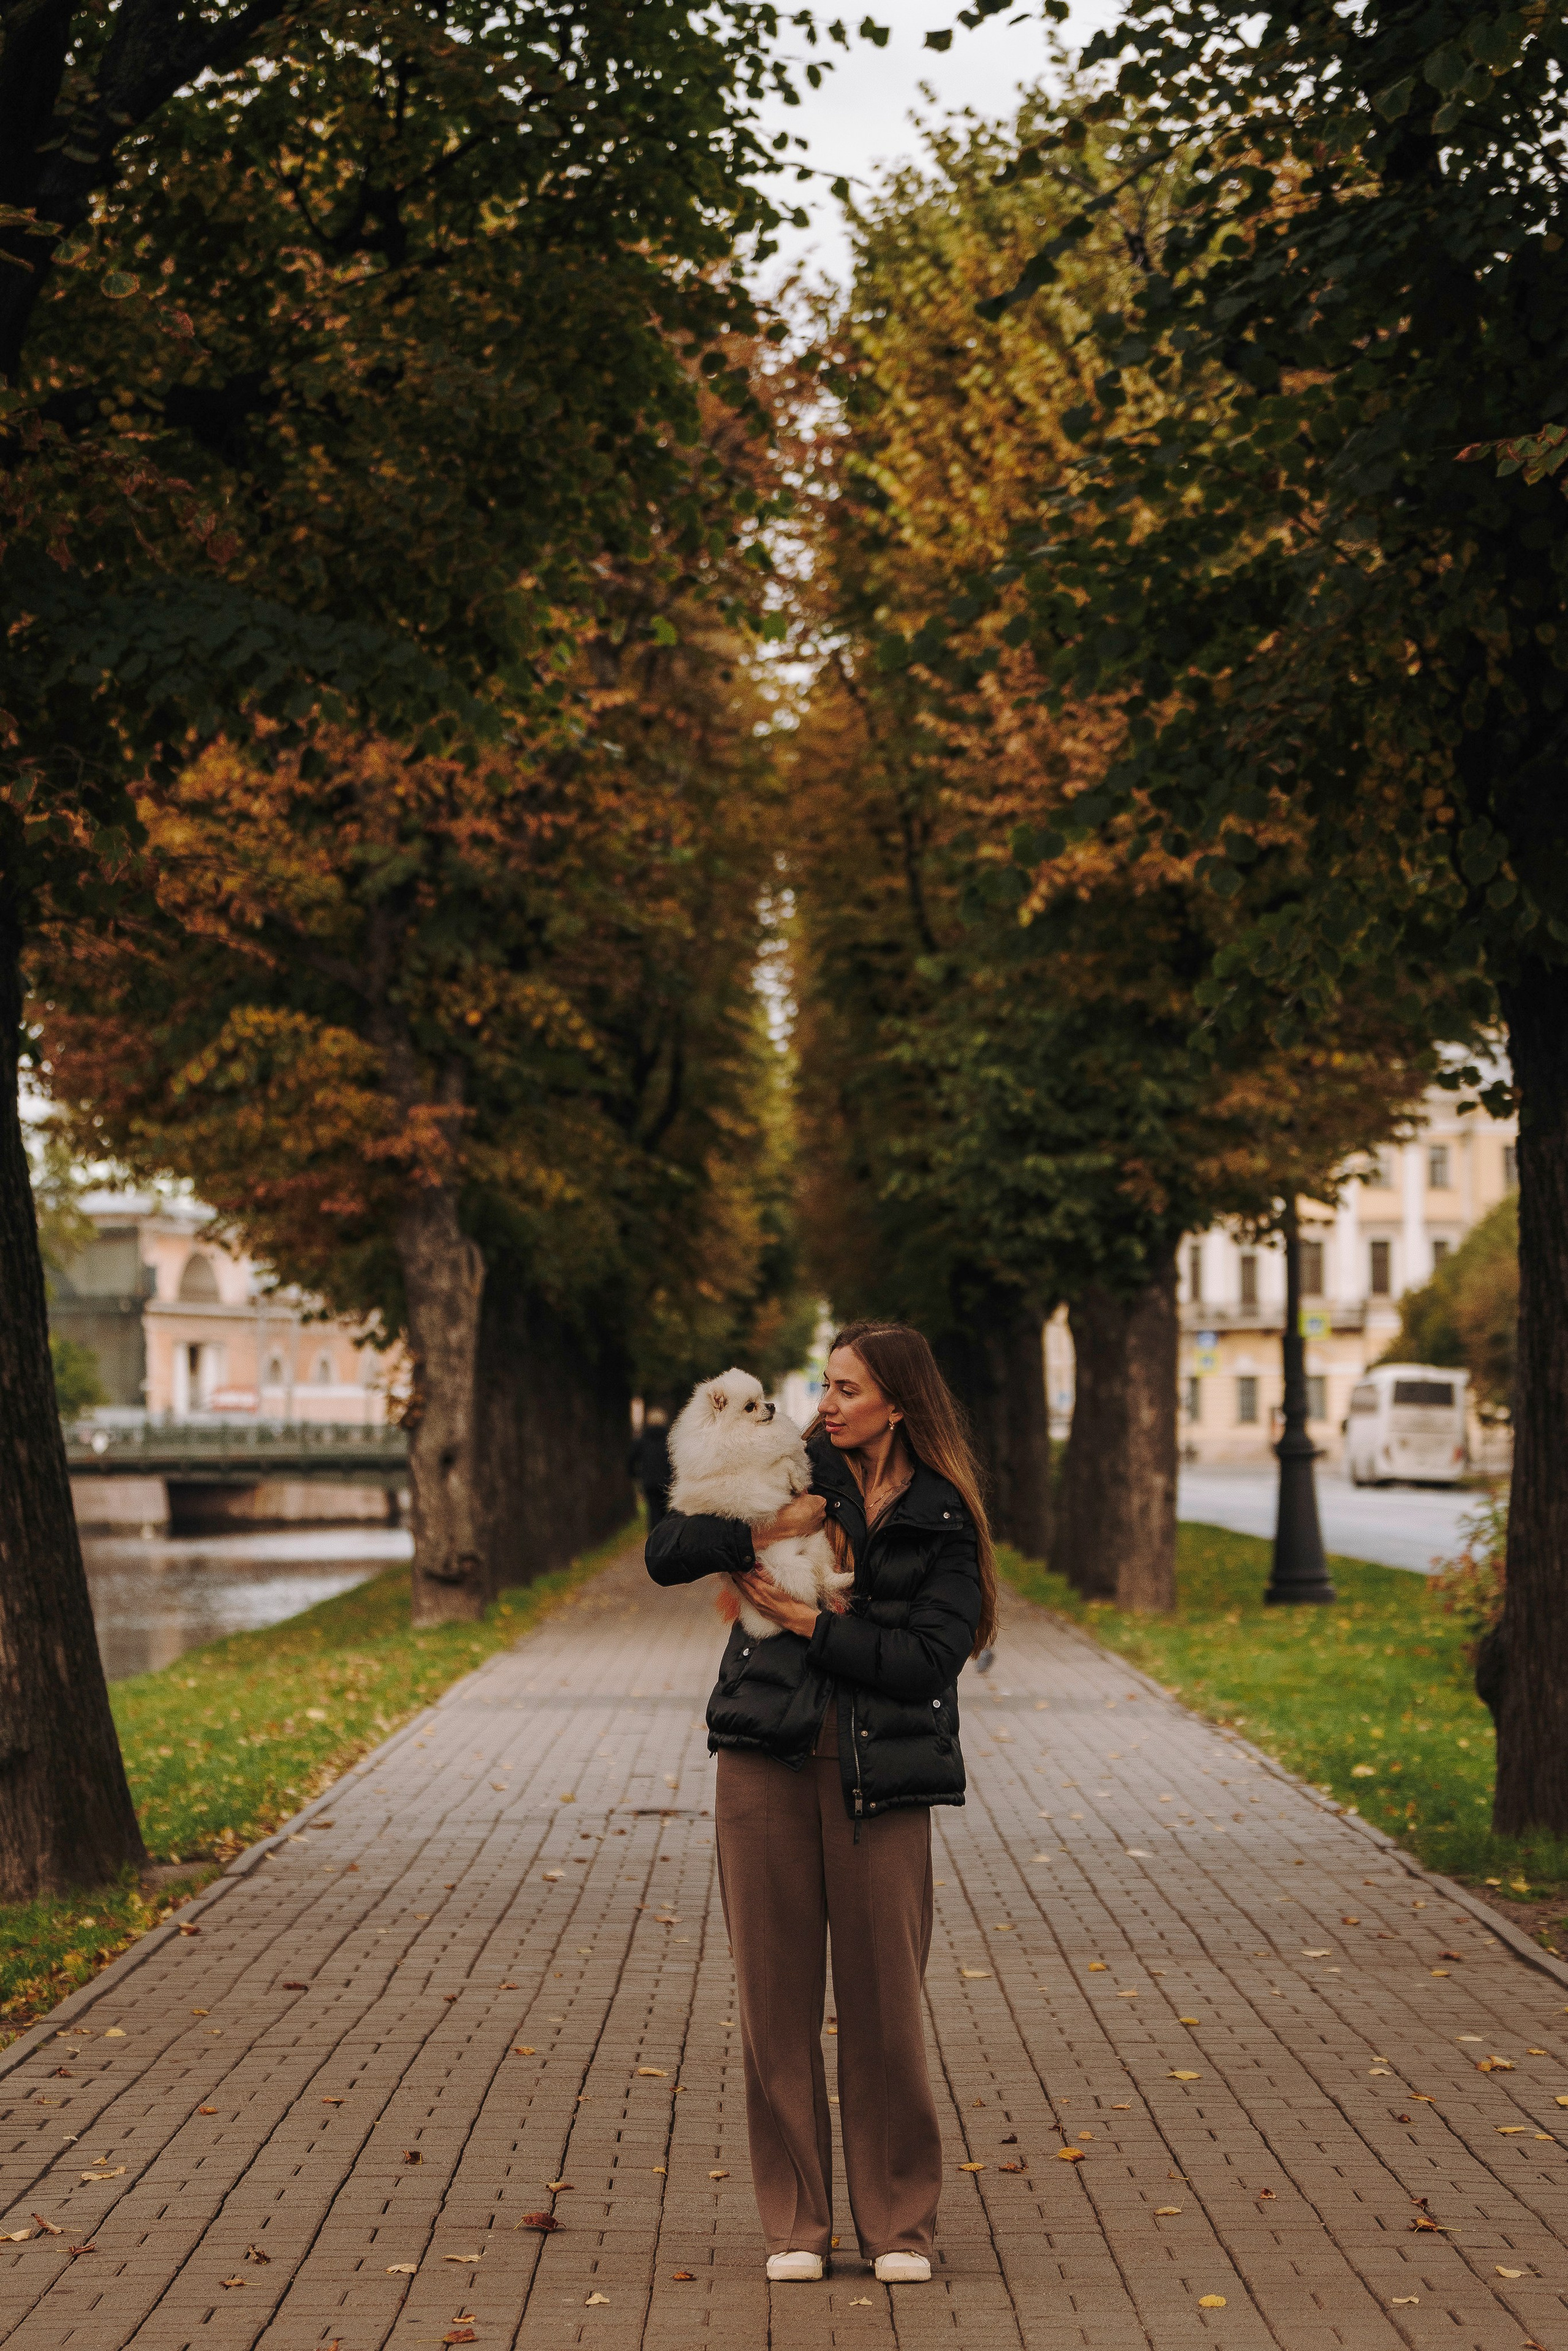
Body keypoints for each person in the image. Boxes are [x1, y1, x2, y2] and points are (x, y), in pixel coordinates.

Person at [646, 1321, 996, 2286]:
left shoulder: (943, 1514)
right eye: (828, 1385)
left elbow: (926, 1661)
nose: (826, 1403)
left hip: (885, 1774)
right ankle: (797, 2223)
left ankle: (899, 2226)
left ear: (900, 1403)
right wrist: (764, 1530)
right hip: (764, 1753)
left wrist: (809, 1621)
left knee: (885, 2004)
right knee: (775, 2001)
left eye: (847, 1389)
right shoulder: (799, 1471)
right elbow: (669, 1547)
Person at [628, 1407, 673, 1528]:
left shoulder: (642, 1441)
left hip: (649, 1482)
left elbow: (631, 1460)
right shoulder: (670, 1440)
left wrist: (636, 1475)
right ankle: (664, 1537)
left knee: (653, 1511)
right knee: (664, 1510)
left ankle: (654, 1538)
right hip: (666, 1481)